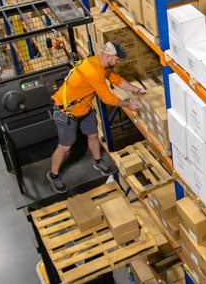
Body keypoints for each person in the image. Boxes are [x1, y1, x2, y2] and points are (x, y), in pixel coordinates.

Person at [47, 41, 148, 193]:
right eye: (117, 58)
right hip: (66, 111)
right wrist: (128, 104)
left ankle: (98, 162)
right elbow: (107, 98)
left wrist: (137, 90)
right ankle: (53, 175)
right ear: (108, 57)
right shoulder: (93, 71)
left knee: (93, 135)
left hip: (85, 107)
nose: (119, 61)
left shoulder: (101, 64)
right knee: (65, 146)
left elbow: (117, 80)